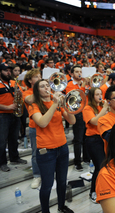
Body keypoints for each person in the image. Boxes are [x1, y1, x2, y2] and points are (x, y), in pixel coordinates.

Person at [29, 79, 76, 213]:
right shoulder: (34, 105)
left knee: (62, 181)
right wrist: (55, 104)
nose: (46, 88)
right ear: (37, 91)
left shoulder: (57, 104)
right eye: (42, 86)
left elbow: (72, 121)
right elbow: (42, 123)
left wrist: (66, 106)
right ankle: (45, 211)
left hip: (62, 147)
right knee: (47, 185)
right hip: (45, 151)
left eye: (47, 85)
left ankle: (61, 206)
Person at [82, 87, 109, 203]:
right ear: (92, 96)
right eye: (97, 94)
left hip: (103, 137)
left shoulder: (101, 106)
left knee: (104, 166)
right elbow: (94, 121)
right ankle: (93, 192)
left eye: (100, 94)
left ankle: (102, 189)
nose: (100, 96)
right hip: (92, 140)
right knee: (99, 166)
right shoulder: (87, 108)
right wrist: (104, 109)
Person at [0, 63, 27, 172]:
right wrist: (7, 107)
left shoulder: (13, 82)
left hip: (15, 114)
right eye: (6, 70)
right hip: (2, 115)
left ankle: (14, 158)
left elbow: (21, 95)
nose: (8, 72)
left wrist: (21, 93)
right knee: (1, 141)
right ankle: (2, 163)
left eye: (9, 70)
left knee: (13, 138)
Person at [65, 65, 88, 171]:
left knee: (86, 137)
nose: (79, 73)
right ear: (72, 74)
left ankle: (87, 158)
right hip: (77, 113)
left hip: (86, 112)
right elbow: (78, 96)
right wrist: (83, 85)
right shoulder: (69, 85)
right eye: (77, 71)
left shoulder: (86, 83)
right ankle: (77, 161)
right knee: (78, 139)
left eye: (80, 71)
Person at [23, 68, 42, 188]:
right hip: (34, 126)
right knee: (36, 153)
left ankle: (47, 172)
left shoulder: (45, 90)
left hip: (47, 125)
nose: (39, 78)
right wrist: (42, 90)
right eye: (36, 77)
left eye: (40, 76)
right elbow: (29, 100)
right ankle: (37, 175)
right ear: (30, 80)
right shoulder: (27, 92)